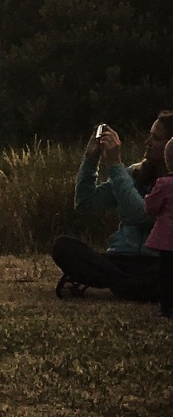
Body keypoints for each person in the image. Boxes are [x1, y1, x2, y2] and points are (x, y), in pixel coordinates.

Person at [52, 113, 172, 299]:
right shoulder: (133, 174)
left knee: (164, 271)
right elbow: (85, 204)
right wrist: (91, 160)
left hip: (155, 260)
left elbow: (142, 216)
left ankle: (120, 284)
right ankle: (130, 285)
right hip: (119, 258)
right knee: (62, 246)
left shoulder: (163, 184)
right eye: (150, 135)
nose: (147, 142)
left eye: (156, 138)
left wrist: (115, 165)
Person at [146, 171, 173, 319]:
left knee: (166, 274)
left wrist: (147, 198)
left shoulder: (165, 183)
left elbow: (151, 208)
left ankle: (167, 307)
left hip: (168, 237)